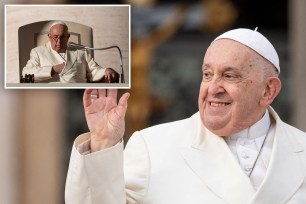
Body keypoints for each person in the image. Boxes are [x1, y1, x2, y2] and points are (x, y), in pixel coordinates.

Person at [65, 28, 306, 204]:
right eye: (207, 74)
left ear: (268, 90)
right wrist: (103, 144)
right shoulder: (153, 146)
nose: (213, 88)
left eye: (230, 76)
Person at [22, 21, 118, 83]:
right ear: (49, 36)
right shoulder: (38, 52)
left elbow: (94, 71)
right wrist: (52, 70)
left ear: (68, 37)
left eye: (63, 37)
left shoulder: (81, 51)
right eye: (55, 37)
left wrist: (106, 71)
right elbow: (26, 73)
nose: (59, 41)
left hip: (78, 93)